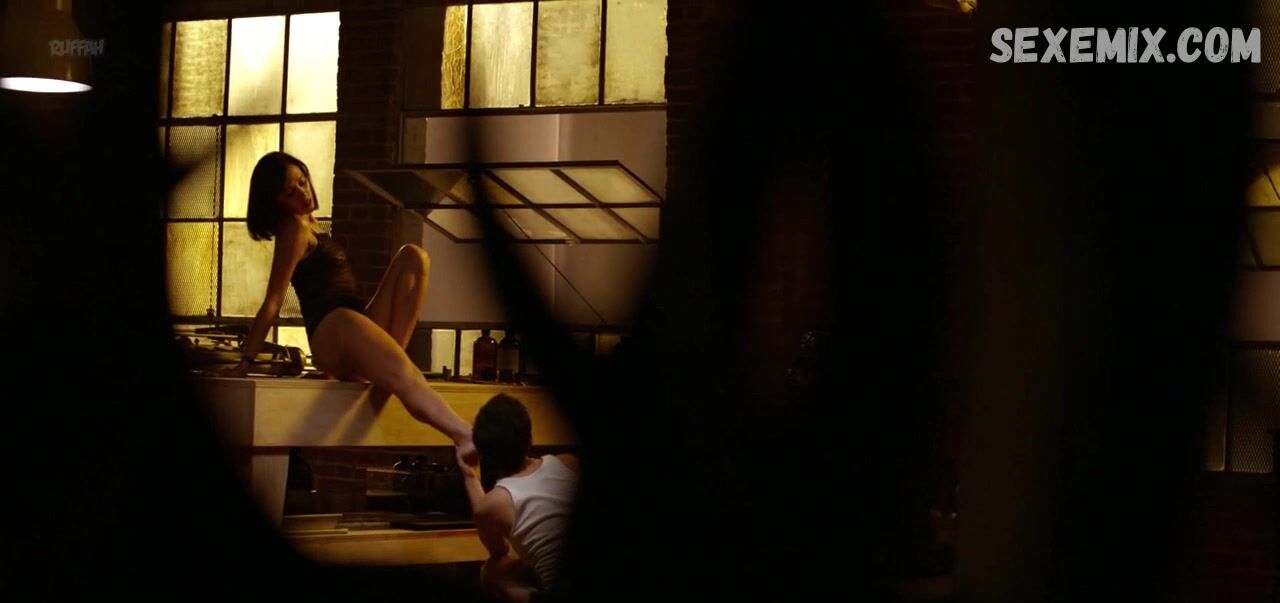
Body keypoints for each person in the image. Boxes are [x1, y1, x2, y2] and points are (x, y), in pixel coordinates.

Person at [220, 151, 476, 463]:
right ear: (276, 203)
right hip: (331, 327)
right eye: (290, 192)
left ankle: (387, 363)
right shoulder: (294, 229)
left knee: (414, 257)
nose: (303, 192)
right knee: (402, 374)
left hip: (353, 319)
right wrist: (247, 360)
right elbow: (273, 299)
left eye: (302, 181)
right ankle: (462, 434)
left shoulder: (312, 225)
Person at [458, 394, 578, 603]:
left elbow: (500, 550)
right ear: (530, 439)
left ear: (485, 454)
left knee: (493, 569)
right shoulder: (569, 463)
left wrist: (469, 475)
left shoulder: (494, 503)